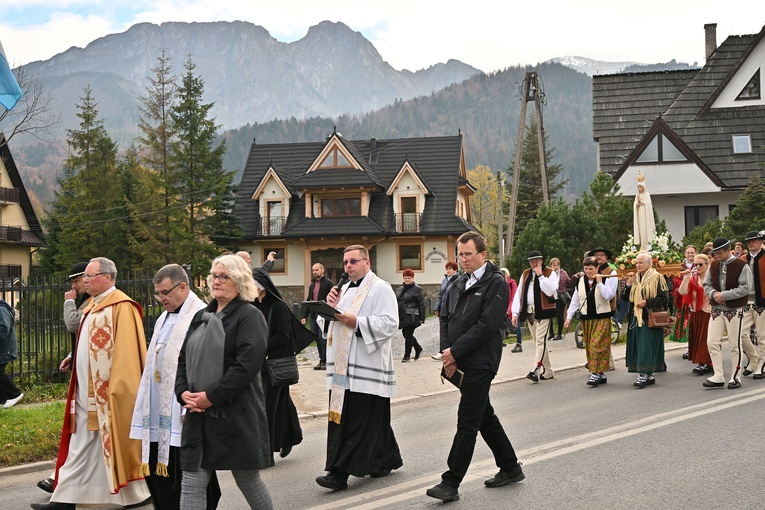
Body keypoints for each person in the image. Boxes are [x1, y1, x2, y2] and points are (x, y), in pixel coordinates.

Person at [32, 257, 150, 510]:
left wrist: (119, 391)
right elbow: (86, 341)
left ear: (107, 277)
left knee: (103, 443)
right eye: (84, 276)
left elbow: (128, 353)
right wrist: (73, 356)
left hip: (109, 393)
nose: (84, 280)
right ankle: (68, 497)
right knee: (83, 443)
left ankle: (132, 494)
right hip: (86, 392)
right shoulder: (91, 305)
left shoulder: (122, 306)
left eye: (89, 275)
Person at [426, 231, 523, 503]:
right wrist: (448, 354)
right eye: (460, 254)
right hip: (459, 359)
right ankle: (510, 466)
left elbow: (488, 325)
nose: (464, 259)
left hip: (482, 362)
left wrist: (455, 351)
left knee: (467, 421)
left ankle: (450, 482)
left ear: (483, 254)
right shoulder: (458, 282)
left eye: (468, 254)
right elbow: (446, 318)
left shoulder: (495, 283)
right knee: (484, 416)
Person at [175, 254, 273, 510]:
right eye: (214, 276)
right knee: (192, 481)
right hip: (199, 413)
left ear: (239, 281)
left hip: (235, 413)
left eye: (223, 276)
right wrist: (183, 392)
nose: (216, 281)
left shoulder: (249, 316)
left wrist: (211, 397)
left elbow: (246, 367)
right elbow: (184, 358)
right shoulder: (201, 316)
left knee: (247, 479)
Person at [129, 264, 221, 510]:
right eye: (157, 294)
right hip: (160, 408)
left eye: (165, 293)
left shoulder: (201, 314)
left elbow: (206, 361)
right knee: (159, 477)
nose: (161, 299)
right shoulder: (163, 318)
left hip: (185, 408)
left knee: (190, 477)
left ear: (183, 287)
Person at [315, 245, 402, 491]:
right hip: (342, 369)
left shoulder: (380, 288)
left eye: (353, 261)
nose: (348, 266)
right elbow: (328, 323)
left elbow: (389, 323)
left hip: (366, 367)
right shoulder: (341, 289)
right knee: (368, 419)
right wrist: (326, 308)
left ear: (367, 262)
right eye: (345, 262)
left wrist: (358, 323)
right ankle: (385, 459)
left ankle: (338, 473)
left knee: (357, 422)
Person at [37, 262, 93, 494]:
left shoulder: (92, 302)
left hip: (94, 381)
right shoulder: (88, 301)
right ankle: (62, 482)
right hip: (84, 374)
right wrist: (72, 354)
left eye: (77, 281)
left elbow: (73, 324)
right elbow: (85, 334)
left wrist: (68, 301)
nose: (74, 286)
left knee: (82, 431)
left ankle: (62, 483)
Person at [251, 267, 304, 463]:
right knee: (281, 403)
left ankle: (268, 452)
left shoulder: (278, 306)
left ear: (263, 285)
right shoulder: (253, 306)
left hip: (274, 364)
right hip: (258, 364)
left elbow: (283, 337)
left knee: (269, 407)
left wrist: (261, 346)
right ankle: (290, 436)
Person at [702, 237, 760, 389]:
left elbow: (745, 288)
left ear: (728, 250)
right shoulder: (714, 264)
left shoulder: (742, 265)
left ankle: (735, 377)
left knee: (735, 344)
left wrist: (725, 295)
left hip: (734, 309)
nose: (718, 256)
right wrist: (714, 294)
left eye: (720, 253)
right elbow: (706, 284)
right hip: (716, 309)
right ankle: (718, 375)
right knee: (712, 342)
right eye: (716, 253)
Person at [564, 257, 617, 386]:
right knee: (589, 346)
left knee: (597, 345)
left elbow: (609, 296)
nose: (588, 271)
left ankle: (595, 373)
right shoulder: (580, 281)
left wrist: (599, 283)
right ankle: (600, 373)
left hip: (602, 317)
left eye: (591, 269)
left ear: (597, 268)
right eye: (586, 269)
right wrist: (569, 317)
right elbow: (575, 300)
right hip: (587, 318)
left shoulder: (604, 278)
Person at [623, 252, 668, 388]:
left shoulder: (657, 278)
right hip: (636, 318)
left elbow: (665, 299)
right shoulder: (634, 278)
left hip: (649, 317)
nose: (638, 265)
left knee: (646, 347)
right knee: (639, 346)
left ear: (649, 264)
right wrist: (629, 285)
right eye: (636, 263)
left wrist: (647, 302)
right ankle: (647, 375)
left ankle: (644, 375)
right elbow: (625, 298)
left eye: (641, 262)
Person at [511, 251, 558, 382]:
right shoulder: (525, 274)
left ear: (542, 261)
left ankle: (535, 370)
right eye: (532, 261)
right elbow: (519, 293)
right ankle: (548, 371)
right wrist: (515, 313)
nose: (534, 263)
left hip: (544, 312)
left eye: (537, 260)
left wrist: (540, 276)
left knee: (540, 342)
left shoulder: (550, 273)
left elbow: (550, 291)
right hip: (530, 312)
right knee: (539, 343)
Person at [677, 254, 713, 376]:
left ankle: (706, 362)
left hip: (708, 311)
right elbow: (682, 291)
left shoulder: (712, 278)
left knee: (705, 338)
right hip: (695, 311)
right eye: (696, 264)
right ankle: (701, 362)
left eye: (701, 264)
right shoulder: (693, 278)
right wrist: (686, 277)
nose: (698, 267)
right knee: (697, 337)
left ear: (707, 265)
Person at [739, 230, 765, 378]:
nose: (751, 243)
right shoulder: (742, 259)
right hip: (746, 302)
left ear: (761, 242)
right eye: (748, 241)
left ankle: (761, 364)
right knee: (741, 334)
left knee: (762, 335)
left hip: (763, 302)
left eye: (754, 240)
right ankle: (754, 359)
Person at [301, 263, 334, 370]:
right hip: (314, 316)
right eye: (313, 270)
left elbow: (333, 299)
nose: (315, 272)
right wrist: (304, 316)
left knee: (323, 337)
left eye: (317, 270)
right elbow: (309, 301)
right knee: (316, 338)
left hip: (324, 316)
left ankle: (327, 361)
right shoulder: (312, 286)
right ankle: (321, 360)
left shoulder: (329, 284)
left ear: (322, 270)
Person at [396, 268, 425, 362]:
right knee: (406, 334)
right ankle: (418, 348)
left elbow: (422, 304)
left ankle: (407, 356)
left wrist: (422, 318)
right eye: (405, 278)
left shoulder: (417, 289)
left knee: (408, 335)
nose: (407, 279)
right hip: (402, 316)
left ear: (413, 278)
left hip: (412, 316)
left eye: (409, 277)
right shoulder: (400, 289)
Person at [432, 261, 459, 360]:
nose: (448, 271)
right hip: (443, 309)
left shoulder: (458, 281)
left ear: (455, 270)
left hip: (452, 309)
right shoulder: (445, 280)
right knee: (443, 330)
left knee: (451, 331)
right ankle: (442, 351)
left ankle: (451, 351)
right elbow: (440, 295)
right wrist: (436, 307)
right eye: (447, 269)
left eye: (450, 269)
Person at [671, 246, 696, 346]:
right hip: (682, 298)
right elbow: (675, 278)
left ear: (696, 253)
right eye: (688, 253)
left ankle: (693, 345)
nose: (690, 255)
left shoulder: (698, 264)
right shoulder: (680, 266)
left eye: (692, 253)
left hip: (695, 297)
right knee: (684, 322)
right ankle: (687, 345)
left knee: (693, 322)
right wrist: (683, 283)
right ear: (685, 254)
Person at [0, 298, 22, 409]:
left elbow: (4, 329)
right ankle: (4, 400)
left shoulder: (1, 309)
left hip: (4, 349)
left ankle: (15, 394)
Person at [548, 258, 570, 341]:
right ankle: (551, 333)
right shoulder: (548, 273)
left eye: (557, 265)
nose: (556, 267)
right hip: (551, 297)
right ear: (551, 266)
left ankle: (559, 333)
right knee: (549, 316)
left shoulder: (563, 273)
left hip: (560, 297)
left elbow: (569, 282)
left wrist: (575, 277)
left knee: (559, 316)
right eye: (554, 265)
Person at [633, 173, 656, 251]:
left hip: (645, 214)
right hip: (640, 213)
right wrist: (637, 203)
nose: (639, 188)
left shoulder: (647, 194)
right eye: (638, 187)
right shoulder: (637, 195)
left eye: (641, 187)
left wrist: (642, 202)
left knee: (645, 228)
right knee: (641, 229)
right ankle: (642, 246)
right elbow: (635, 204)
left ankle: (646, 245)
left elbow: (648, 204)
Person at [500, 268, 518, 342]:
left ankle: (519, 342)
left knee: (516, 325)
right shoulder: (500, 283)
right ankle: (502, 339)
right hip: (503, 307)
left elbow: (514, 297)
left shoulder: (512, 283)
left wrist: (510, 309)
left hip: (512, 306)